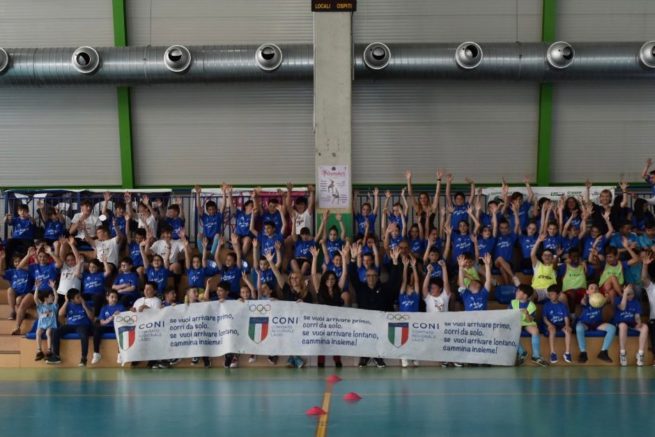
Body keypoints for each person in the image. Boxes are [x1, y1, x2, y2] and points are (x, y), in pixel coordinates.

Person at [349, 246, 402, 368]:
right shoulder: (360, 288)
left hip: (381, 322)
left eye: (373, 275)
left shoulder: (384, 288)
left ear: (378, 277)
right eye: (368, 276)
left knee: (380, 332)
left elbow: (395, 280)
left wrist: (395, 263)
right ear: (365, 277)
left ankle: (378, 357)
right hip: (365, 322)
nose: (371, 278)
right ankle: (365, 357)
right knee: (363, 332)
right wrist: (352, 259)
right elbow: (352, 276)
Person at [268, 252, 312, 369]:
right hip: (287, 321)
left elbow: (312, 310)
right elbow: (277, 274)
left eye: (296, 278)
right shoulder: (286, 289)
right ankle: (294, 358)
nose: (293, 280)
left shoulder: (307, 294)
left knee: (293, 334)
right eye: (292, 278)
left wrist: (304, 304)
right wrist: (270, 262)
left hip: (301, 323)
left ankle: (292, 359)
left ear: (301, 279)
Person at [310, 246, 347, 368]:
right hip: (322, 321)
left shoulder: (338, 289)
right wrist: (315, 257)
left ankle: (337, 360)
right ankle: (320, 362)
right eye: (328, 279)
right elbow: (313, 274)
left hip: (335, 321)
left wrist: (343, 257)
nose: (330, 281)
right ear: (324, 280)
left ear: (335, 280)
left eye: (332, 279)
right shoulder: (319, 289)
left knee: (335, 340)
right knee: (322, 341)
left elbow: (344, 273)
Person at [13, 245, 62, 335]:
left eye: (44, 256)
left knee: (48, 310)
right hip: (36, 291)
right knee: (22, 304)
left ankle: (49, 328)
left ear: (48, 258)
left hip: (49, 292)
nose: (42, 258)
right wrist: (28, 255)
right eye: (40, 256)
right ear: (37, 257)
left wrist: (51, 252)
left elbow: (59, 264)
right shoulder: (34, 267)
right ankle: (17, 327)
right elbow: (19, 266)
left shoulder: (51, 266)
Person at [46, 288, 94, 366]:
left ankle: (84, 358)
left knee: (84, 335)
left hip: (82, 325)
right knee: (56, 331)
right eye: (77, 297)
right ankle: (56, 356)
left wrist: (84, 305)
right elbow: (60, 314)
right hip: (70, 325)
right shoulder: (68, 304)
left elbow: (91, 317)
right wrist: (66, 301)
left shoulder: (85, 304)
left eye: (80, 296)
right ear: (72, 300)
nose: (80, 298)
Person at [575, 284, 616, 363]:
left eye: (596, 289)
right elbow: (582, 303)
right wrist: (585, 300)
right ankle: (583, 353)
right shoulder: (585, 300)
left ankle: (603, 352)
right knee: (579, 327)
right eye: (591, 288)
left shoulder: (601, 300)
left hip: (598, 324)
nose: (594, 290)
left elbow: (609, 302)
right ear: (587, 291)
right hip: (585, 324)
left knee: (612, 328)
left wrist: (607, 298)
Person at [511, 284, 548, 367]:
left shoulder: (531, 305)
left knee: (535, 331)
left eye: (518, 291)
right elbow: (508, 315)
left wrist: (527, 314)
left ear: (525, 295)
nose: (516, 292)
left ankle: (536, 356)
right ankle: (522, 352)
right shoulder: (513, 303)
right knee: (510, 332)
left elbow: (530, 320)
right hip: (516, 323)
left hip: (527, 323)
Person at [129, 282, 162, 369]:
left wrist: (147, 308)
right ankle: (135, 358)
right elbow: (133, 314)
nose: (146, 290)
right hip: (138, 326)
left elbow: (158, 315)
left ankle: (152, 361)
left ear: (154, 291)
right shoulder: (138, 301)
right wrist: (131, 311)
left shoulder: (157, 301)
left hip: (151, 327)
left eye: (149, 289)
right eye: (145, 288)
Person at [614, 284, 648, 366]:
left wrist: (639, 322)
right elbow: (622, 307)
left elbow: (637, 316)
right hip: (621, 322)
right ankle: (623, 353)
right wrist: (625, 293)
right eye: (628, 294)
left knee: (645, 327)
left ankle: (640, 354)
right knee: (623, 326)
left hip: (632, 323)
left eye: (631, 294)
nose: (630, 296)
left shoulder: (636, 302)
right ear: (624, 292)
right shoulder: (618, 299)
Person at [91, 289, 125, 365]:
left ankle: (120, 354)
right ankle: (96, 353)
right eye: (112, 297)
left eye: (116, 297)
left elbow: (124, 320)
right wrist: (111, 318)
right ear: (107, 298)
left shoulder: (121, 307)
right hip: (106, 326)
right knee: (96, 329)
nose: (114, 299)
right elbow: (102, 322)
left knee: (122, 331)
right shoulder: (104, 308)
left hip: (117, 326)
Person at [542, 285, 573, 364]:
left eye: (552, 294)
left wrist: (567, 325)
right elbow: (544, 318)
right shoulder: (546, 305)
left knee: (568, 331)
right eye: (549, 294)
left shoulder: (562, 305)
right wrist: (549, 324)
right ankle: (552, 353)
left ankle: (567, 353)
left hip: (561, 325)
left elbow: (566, 317)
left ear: (558, 295)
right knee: (552, 330)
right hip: (551, 324)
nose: (550, 295)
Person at [398, 256, 420, 368]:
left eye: (411, 287)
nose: (410, 287)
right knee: (404, 339)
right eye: (408, 287)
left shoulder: (416, 296)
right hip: (403, 321)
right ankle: (404, 357)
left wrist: (414, 267)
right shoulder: (402, 296)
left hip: (414, 321)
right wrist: (405, 267)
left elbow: (416, 281)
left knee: (414, 339)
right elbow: (404, 280)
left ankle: (414, 357)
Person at [0, 251, 33, 321]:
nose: (17, 263)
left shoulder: (29, 270)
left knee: (18, 299)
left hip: (26, 295)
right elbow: (1, 272)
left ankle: (22, 313)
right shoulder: (12, 271)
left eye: (19, 261)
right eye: (15, 262)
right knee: (10, 290)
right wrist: (2, 259)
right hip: (16, 293)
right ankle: (13, 312)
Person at [194, 184, 226, 255]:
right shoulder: (205, 217)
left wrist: (224, 192)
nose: (212, 211)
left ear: (216, 209)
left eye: (213, 209)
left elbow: (223, 205)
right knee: (199, 234)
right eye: (210, 209)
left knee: (217, 235)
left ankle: (211, 254)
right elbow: (198, 207)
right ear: (207, 210)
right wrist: (198, 194)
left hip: (215, 239)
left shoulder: (218, 216)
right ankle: (201, 254)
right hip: (206, 239)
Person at [33, 288, 57, 361]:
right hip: (42, 325)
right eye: (51, 296)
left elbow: (57, 297)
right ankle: (39, 351)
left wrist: (53, 288)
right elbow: (35, 298)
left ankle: (49, 350)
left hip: (51, 325)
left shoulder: (53, 306)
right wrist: (37, 288)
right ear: (45, 298)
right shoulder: (40, 306)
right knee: (38, 332)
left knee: (48, 332)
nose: (53, 297)